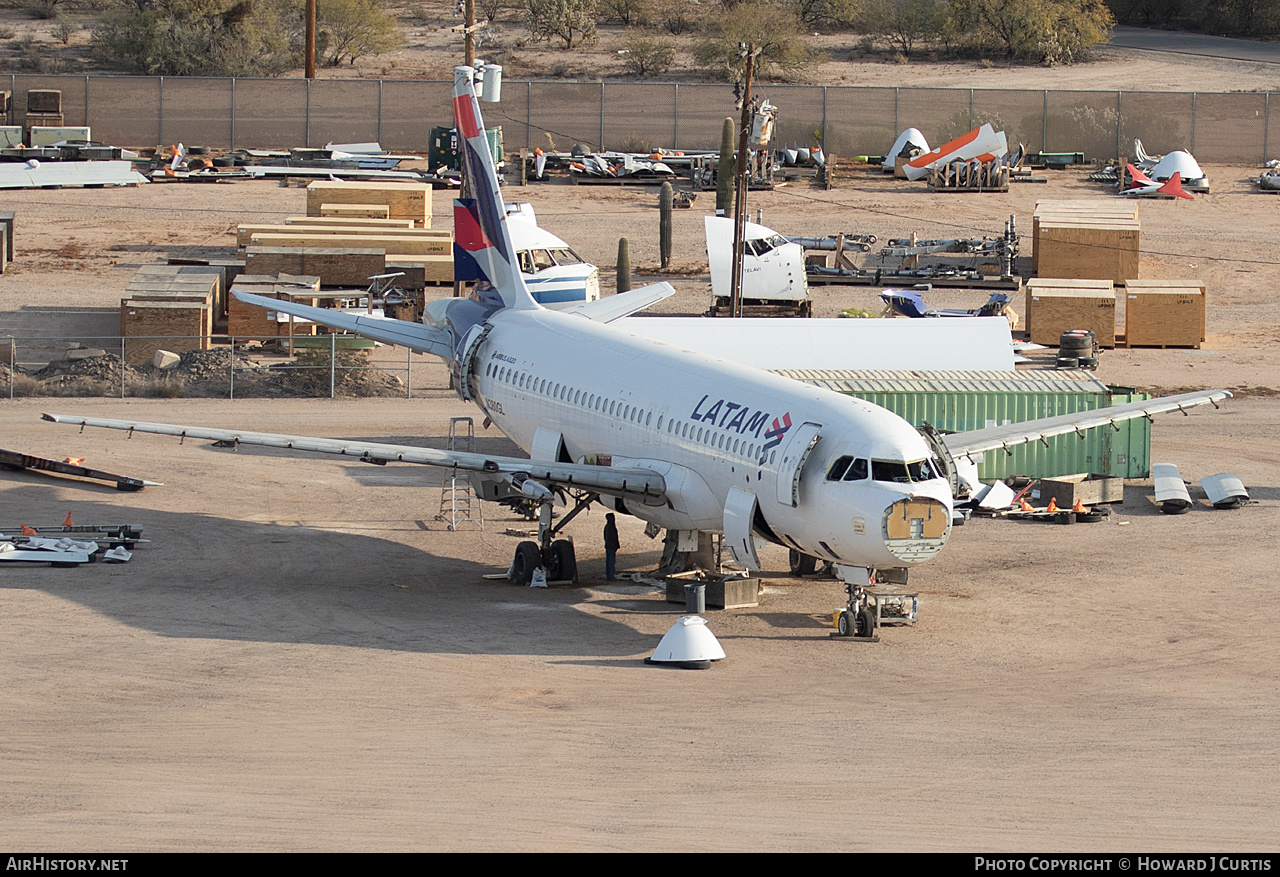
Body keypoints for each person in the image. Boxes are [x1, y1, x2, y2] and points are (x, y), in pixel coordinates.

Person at [603, 513, 620, 581]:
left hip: (608, 545)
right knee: (611, 561)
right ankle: (610, 576)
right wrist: (616, 545)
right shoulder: (612, 527)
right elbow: (614, 537)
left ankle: (609, 575)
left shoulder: (607, 526)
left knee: (608, 561)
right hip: (612, 546)